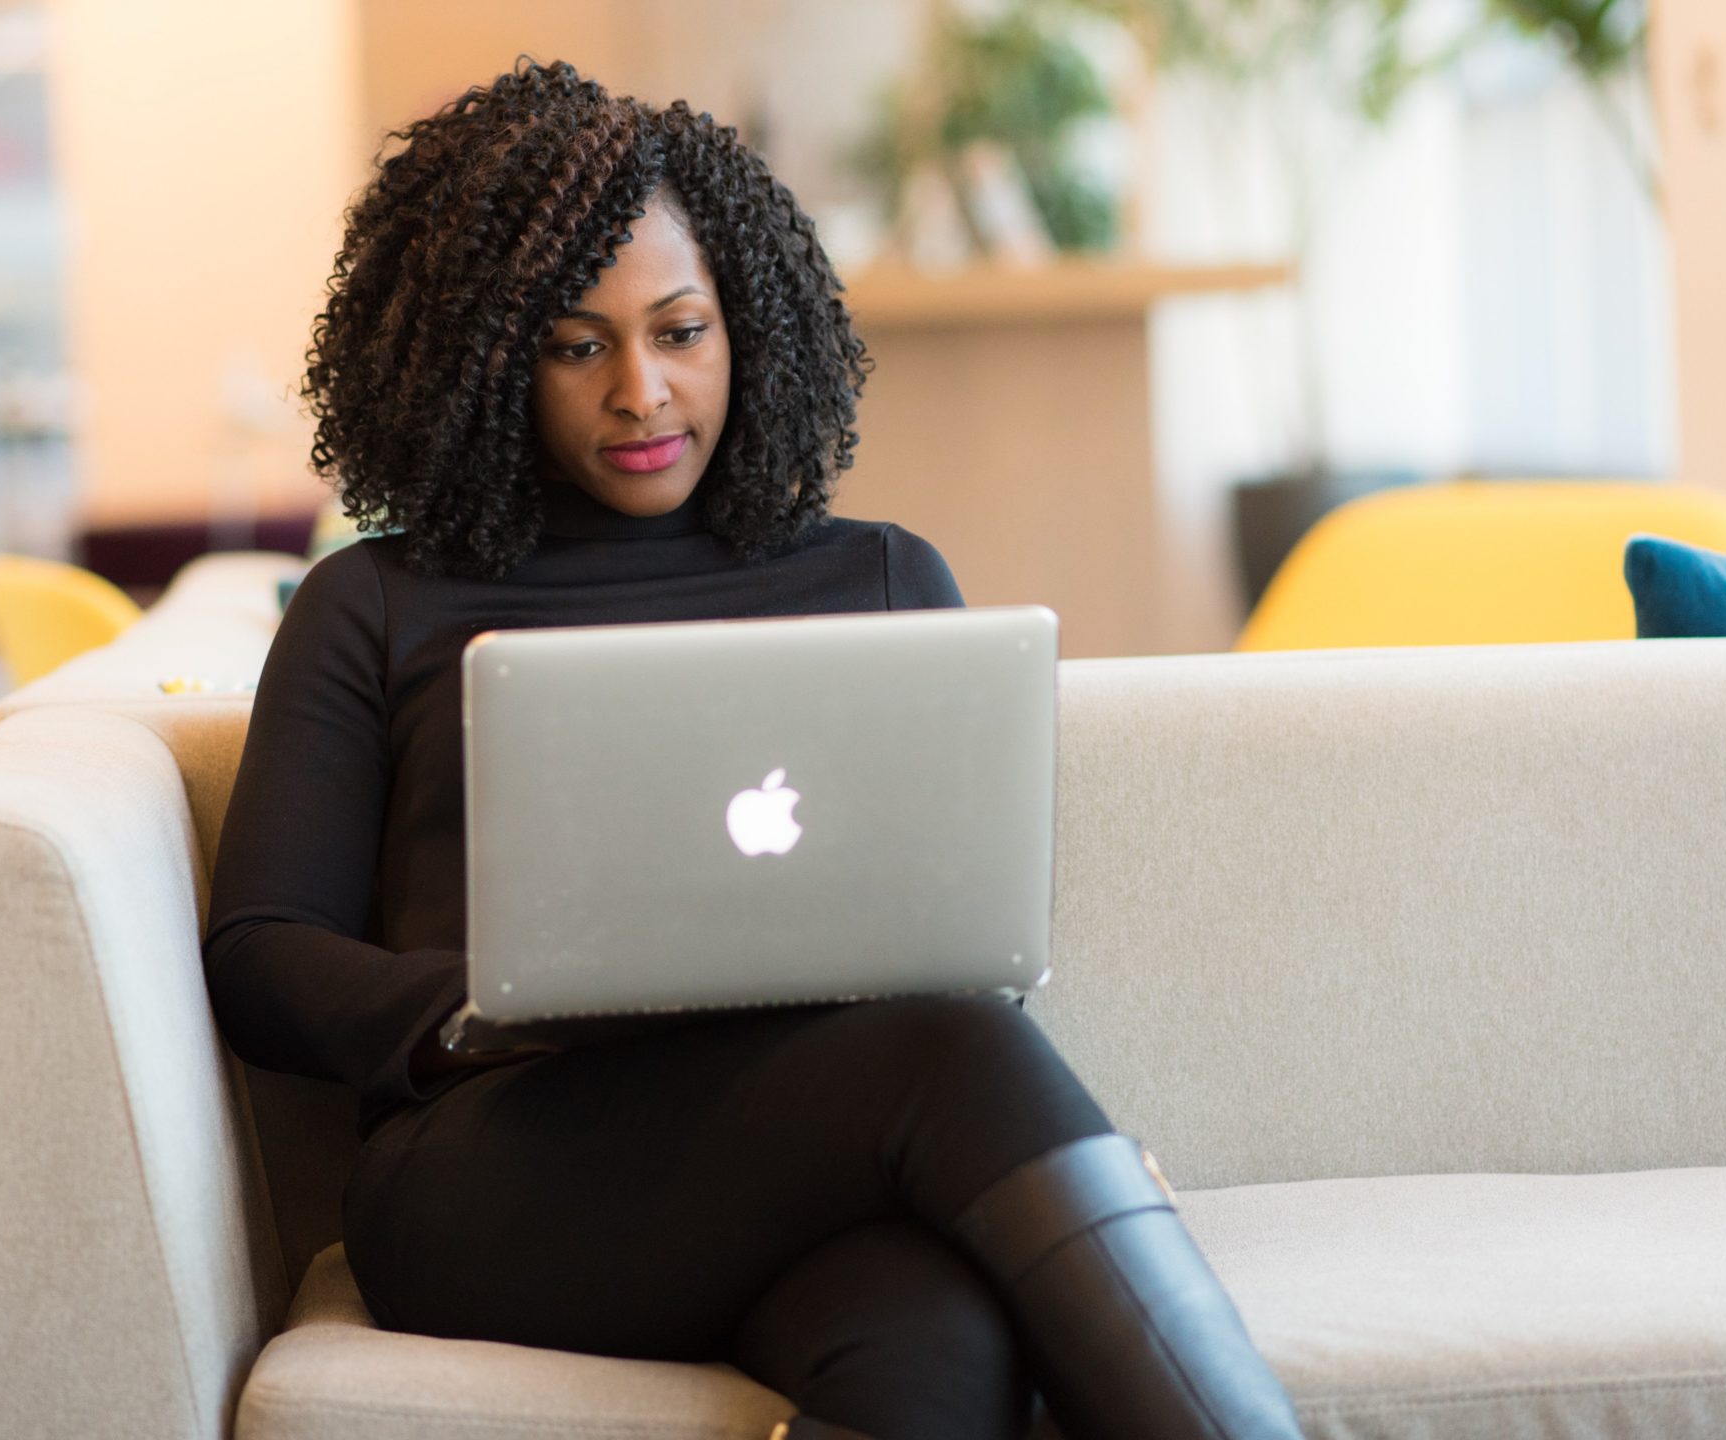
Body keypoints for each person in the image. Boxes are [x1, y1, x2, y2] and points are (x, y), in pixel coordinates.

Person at [204, 59, 1305, 1440]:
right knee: (949, 1062)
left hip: (821, 1153)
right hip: (502, 1171)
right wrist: (476, 1008)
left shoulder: (886, 579)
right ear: (485, 359)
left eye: (681, 330)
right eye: (575, 344)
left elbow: (953, 917)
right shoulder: (375, 601)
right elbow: (259, 951)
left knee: (938, 1335)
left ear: (749, 329)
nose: (641, 391)